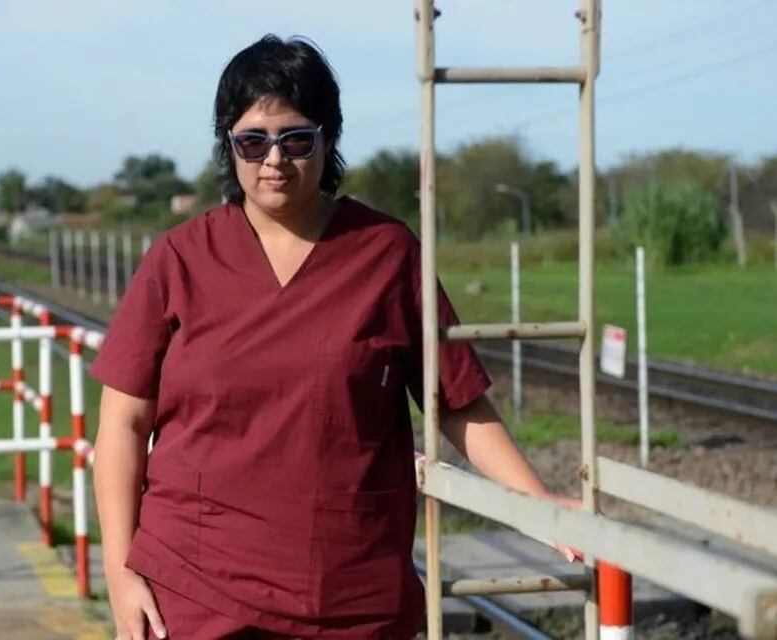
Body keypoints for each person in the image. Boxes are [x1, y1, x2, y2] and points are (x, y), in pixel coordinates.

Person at [91, 35, 576, 640]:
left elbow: (456, 401)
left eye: (296, 139)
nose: (274, 160)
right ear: (228, 144)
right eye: (252, 141)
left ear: (328, 139)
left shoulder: (386, 255)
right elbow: (122, 425)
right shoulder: (179, 261)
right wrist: (119, 572)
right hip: (196, 594)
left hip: (351, 598)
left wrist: (538, 505)